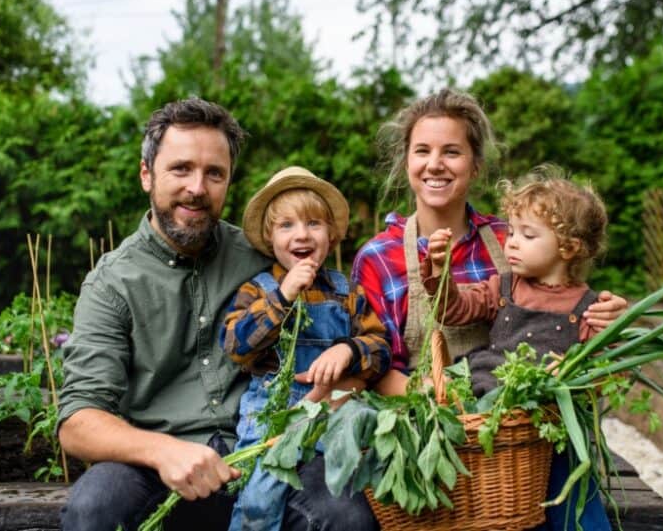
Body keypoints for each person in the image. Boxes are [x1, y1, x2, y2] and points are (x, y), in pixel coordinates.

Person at [57, 98, 379, 531]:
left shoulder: (265, 258)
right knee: (94, 507)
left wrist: (347, 367)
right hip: (159, 469)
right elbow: (78, 423)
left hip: (272, 449)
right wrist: (162, 451)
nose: (197, 187)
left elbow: (342, 324)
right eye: (181, 169)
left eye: (214, 173)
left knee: (346, 515)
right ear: (146, 174)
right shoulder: (112, 284)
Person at [349, 89, 624, 529]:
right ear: (407, 164)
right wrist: (448, 406)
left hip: (522, 439)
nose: (435, 163)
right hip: (432, 433)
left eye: (452, 151)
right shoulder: (379, 257)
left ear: (475, 166)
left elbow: (561, 297)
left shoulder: (512, 239)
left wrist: (604, 315)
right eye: (422, 151)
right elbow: (375, 365)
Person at [220, 166, 392, 531]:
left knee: (350, 490)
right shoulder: (260, 289)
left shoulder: (347, 292)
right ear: (270, 238)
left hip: (332, 415)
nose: (302, 234)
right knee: (258, 502)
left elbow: (380, 348)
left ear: (331, 234)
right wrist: (283, 298)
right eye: (287, 226)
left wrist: (348, 349)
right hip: (273, 418)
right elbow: (236, 345)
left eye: (314, 223)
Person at [423, 164, 608, 397]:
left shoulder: (588, 309)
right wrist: (440, 268)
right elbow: (451, 311)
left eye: (528, 235)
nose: (511, 242)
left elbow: (608, 372)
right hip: (486, 392)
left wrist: (573, 371)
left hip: (546, 411)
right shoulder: (503, 288)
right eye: (511, 232)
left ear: (569, 248)